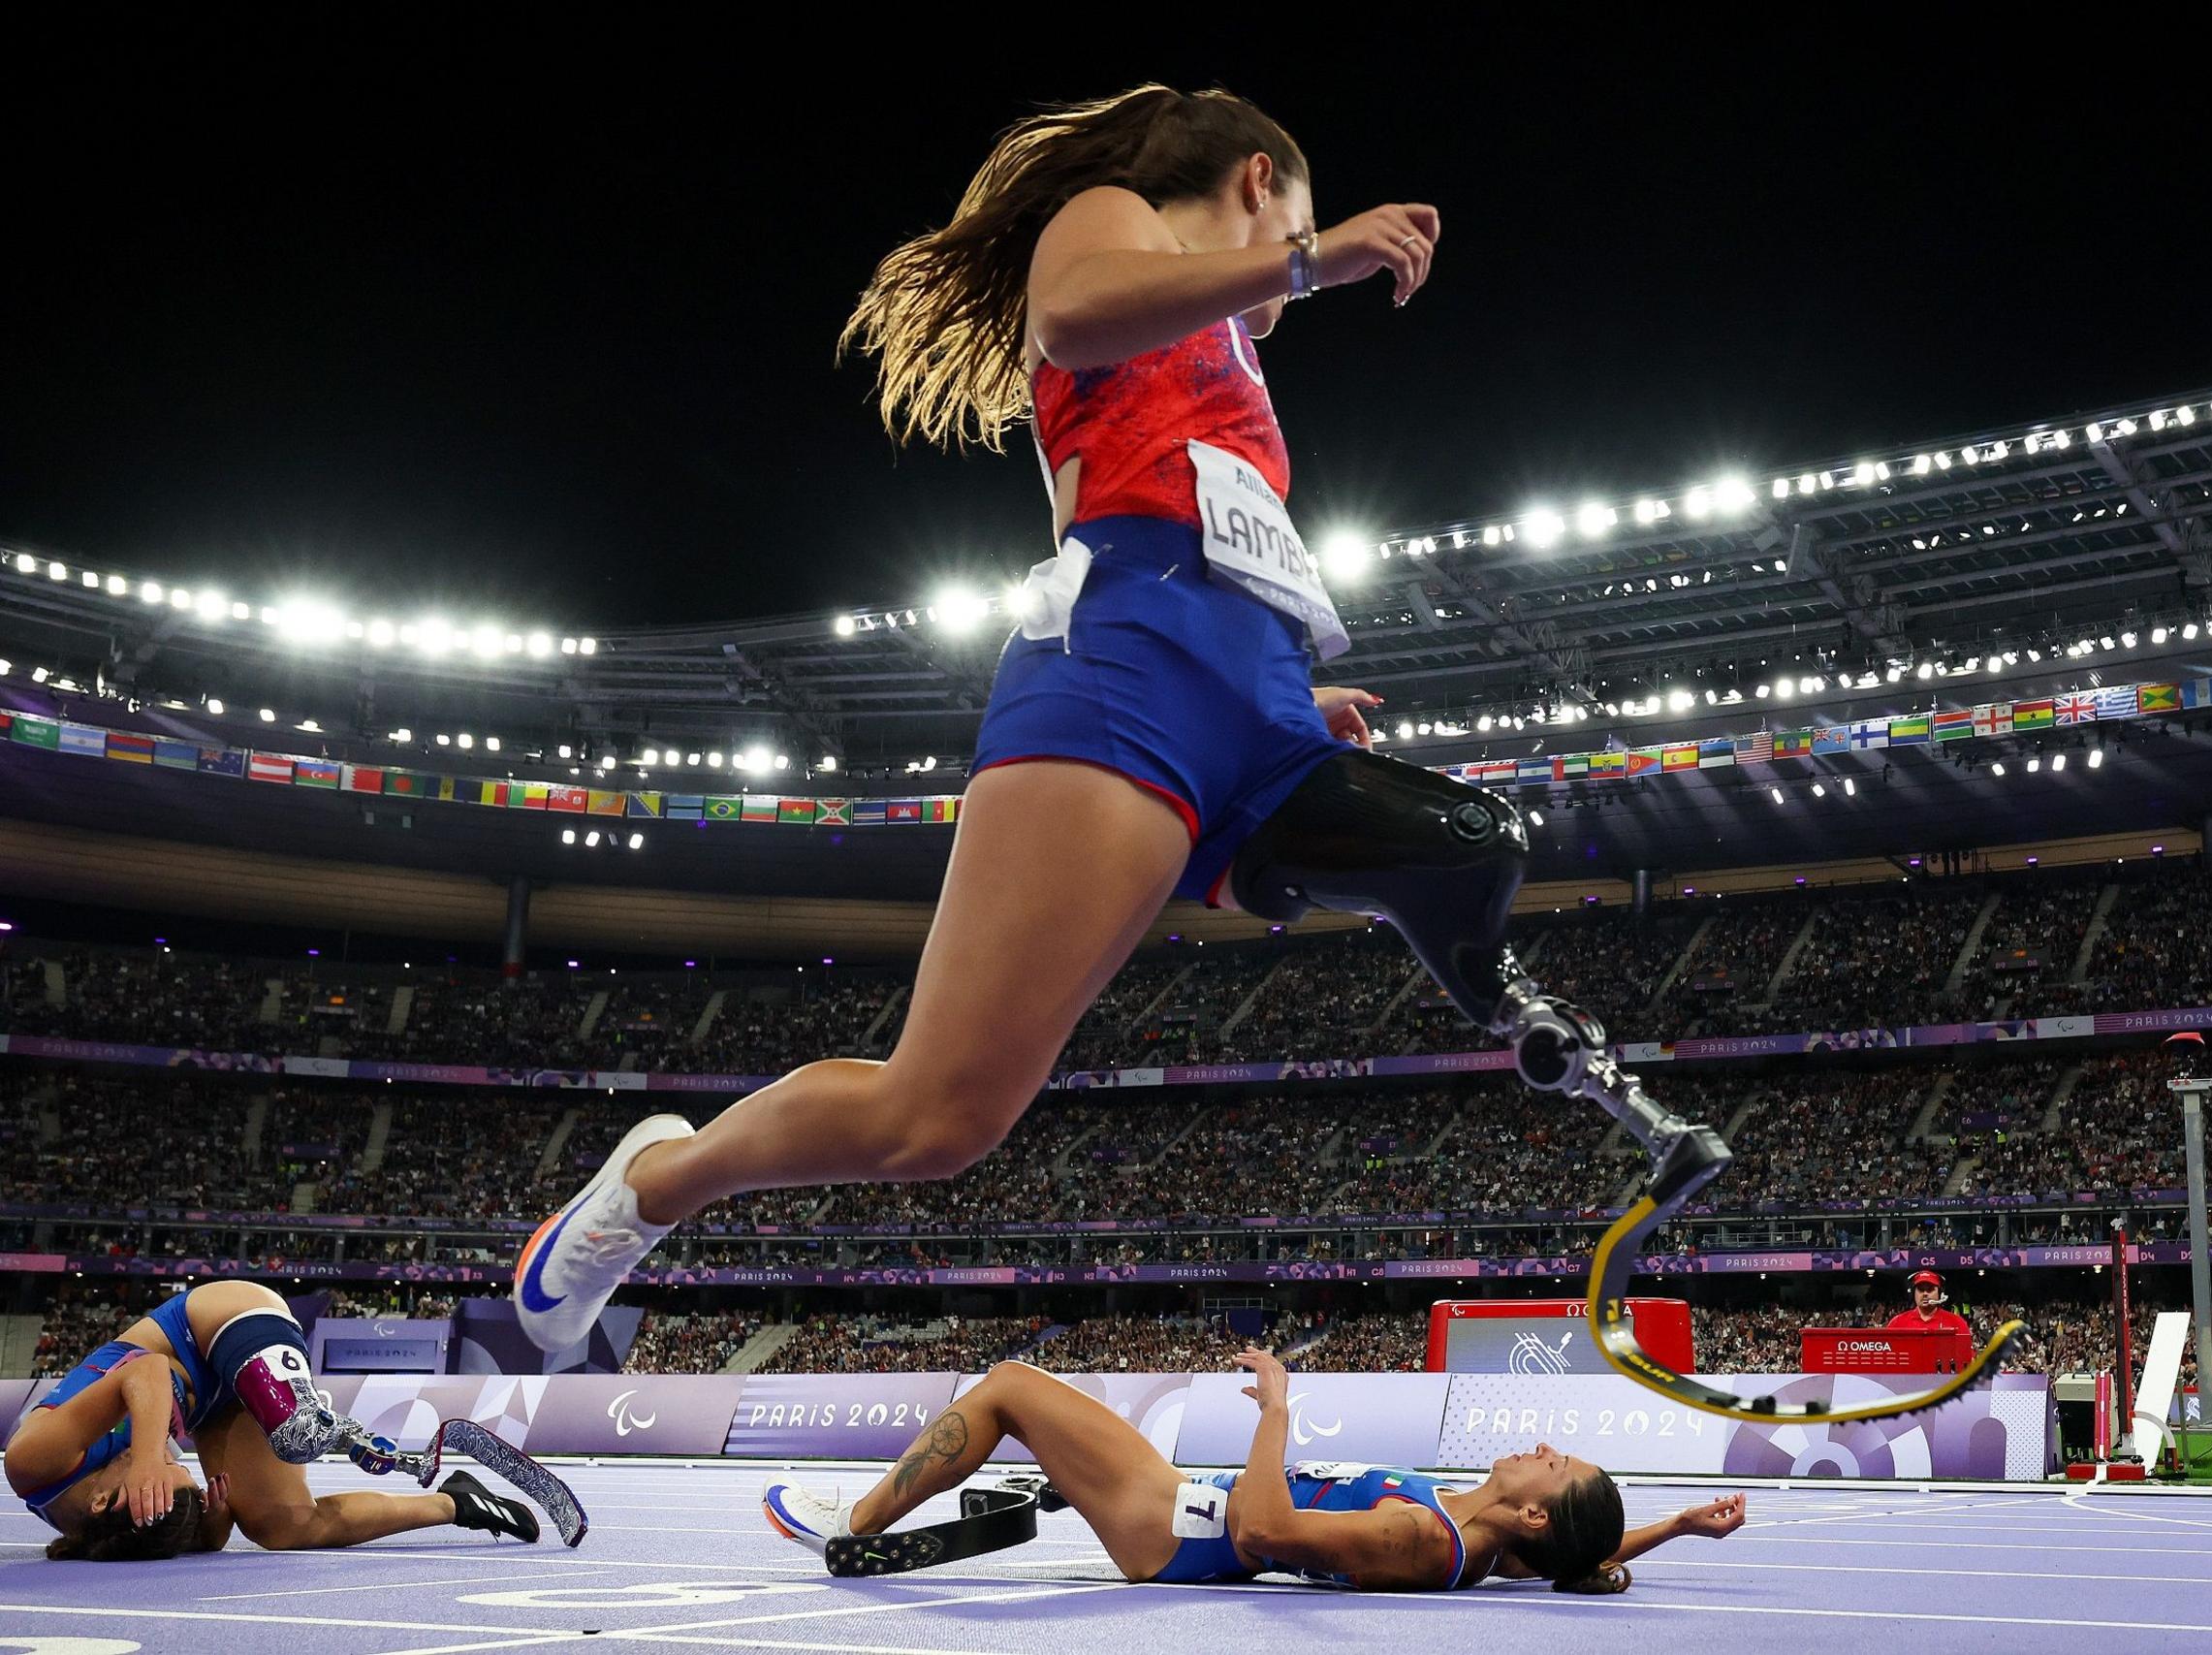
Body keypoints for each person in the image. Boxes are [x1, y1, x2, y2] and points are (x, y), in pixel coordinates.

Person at [514, 82, 1724, 1354]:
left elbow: (1216, 537)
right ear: (1259, 181)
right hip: (1121, 672)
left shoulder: (1233, 353)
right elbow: (1074, 319)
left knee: (1472, 837)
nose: (1285, 282)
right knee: (939, 1118)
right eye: (1291, 221)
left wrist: (1274, 682)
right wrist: (1318, 257)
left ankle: (1580, 1067)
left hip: (1249, 700)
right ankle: (650, 1185)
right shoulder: (1117, 222)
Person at [760, 1349, 1746, 1591]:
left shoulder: (1418, 1537)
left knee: (1010, 1386)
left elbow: (1264, 1534)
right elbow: (1578, 1557)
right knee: (1022, 1396)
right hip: (1179, 1505)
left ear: (1534, 1515)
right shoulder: (1486, 1540)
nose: (1539, 1450)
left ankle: (856, 1521)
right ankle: (872, 1511)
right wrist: (1671, 1529)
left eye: (1554, 1464)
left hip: (1175, 1533)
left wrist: (1276, 1408)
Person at [4, 1280, 540, 1560]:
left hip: (209, 1326)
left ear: (101, 1499)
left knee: (293, 1432)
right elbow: (209, 1542)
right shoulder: (129, 1532)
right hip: (212, 1405)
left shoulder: (38, 1463)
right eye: (186, 1485)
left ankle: (324, 1424)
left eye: (170, 1478)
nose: (176, 1463)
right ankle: (456, 1502)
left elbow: (146, 1370)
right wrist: (210, 1519)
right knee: (284, 1528)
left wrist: (148, 1458)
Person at [1887, 1269, 1971, 1337]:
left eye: (1930, 1289)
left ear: (1940, 1293)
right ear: (1913, 1293)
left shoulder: (1957, 1323)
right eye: (1920, 1289)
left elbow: (1967, 1356)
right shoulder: (1897, 1323)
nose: (1925, 1294)